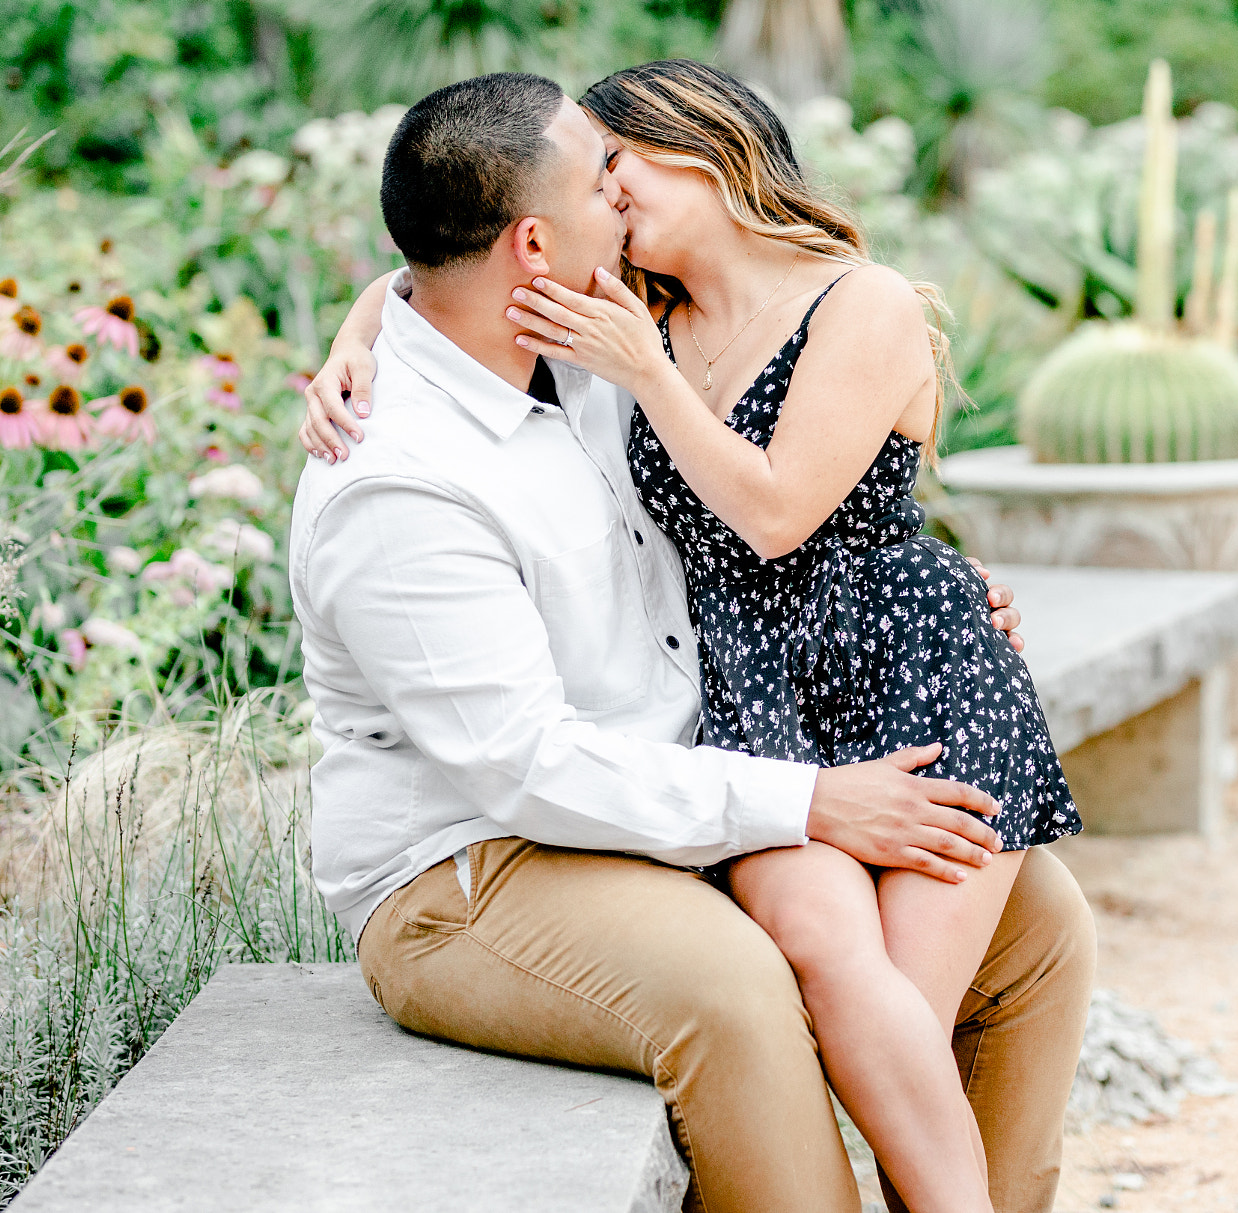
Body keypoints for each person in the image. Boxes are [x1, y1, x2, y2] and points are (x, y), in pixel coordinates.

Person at [291, 71, 1094, 1213]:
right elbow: (523, 769)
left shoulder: (587, 340)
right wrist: (804, 802)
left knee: (1036, 919)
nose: (617, 201)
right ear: (535, 241)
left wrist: (921, 587)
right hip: (476, 862)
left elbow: (441, 272)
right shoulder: (402, 484)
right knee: (737, 987)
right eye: (597, 181)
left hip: (678, 772)